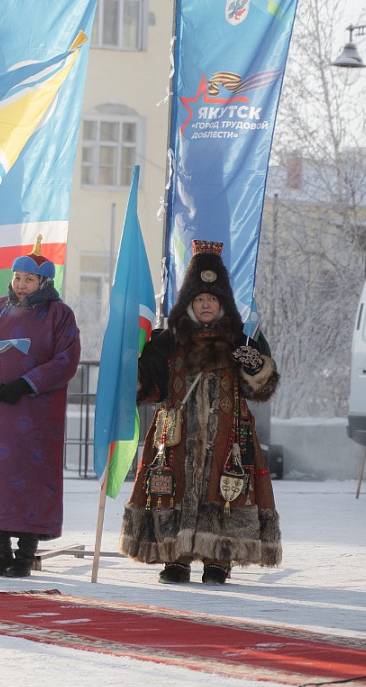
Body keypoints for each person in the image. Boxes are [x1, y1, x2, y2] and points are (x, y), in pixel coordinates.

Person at [120, 240, 281, 585]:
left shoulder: (241, 340)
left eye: (212, 299)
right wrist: (133, 375)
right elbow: (152, 386)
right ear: (189, 303)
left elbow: (262, 388)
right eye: (200, 299)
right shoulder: (169, 341)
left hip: (229, 434)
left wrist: (255, 364)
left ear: (222, 303)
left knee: (223, 490)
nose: (206, 305)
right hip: (176, 433)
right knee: (173, 488)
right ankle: (175, 557)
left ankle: (218, 559)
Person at [0, 238, 81, 577]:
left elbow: (66, 359)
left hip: (35, 416)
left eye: (28, 280)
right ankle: (1, 554)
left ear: (44, 282)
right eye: (17, 278)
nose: (21, 285)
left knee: (29, 482)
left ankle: (25, 556)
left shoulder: (59, 314)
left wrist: (26, 383)